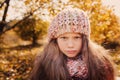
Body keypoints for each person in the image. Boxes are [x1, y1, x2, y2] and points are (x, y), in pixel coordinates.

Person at [30, 8, 115, 80]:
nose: (70, 45)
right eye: (64, 38)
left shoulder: (100, 63)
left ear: (85, 39)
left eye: (76, 37)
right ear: (55, 40)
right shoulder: (45, 63)